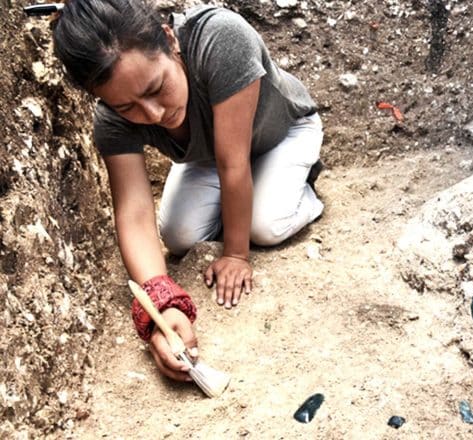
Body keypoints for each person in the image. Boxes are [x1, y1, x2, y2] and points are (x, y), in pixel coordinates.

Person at [50, 0, 324, 382]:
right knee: (179, 235)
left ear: (168, 40)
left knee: (265, 226)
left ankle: (303, 187)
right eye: (128, 107)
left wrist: (235, 254)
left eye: (157, 88)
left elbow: (234, 163)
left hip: (282, 134)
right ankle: (251, 200)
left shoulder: (220, 38)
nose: (154, 114)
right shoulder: (110, 119)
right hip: (210, 155)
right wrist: (161, 307)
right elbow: (133, 212)